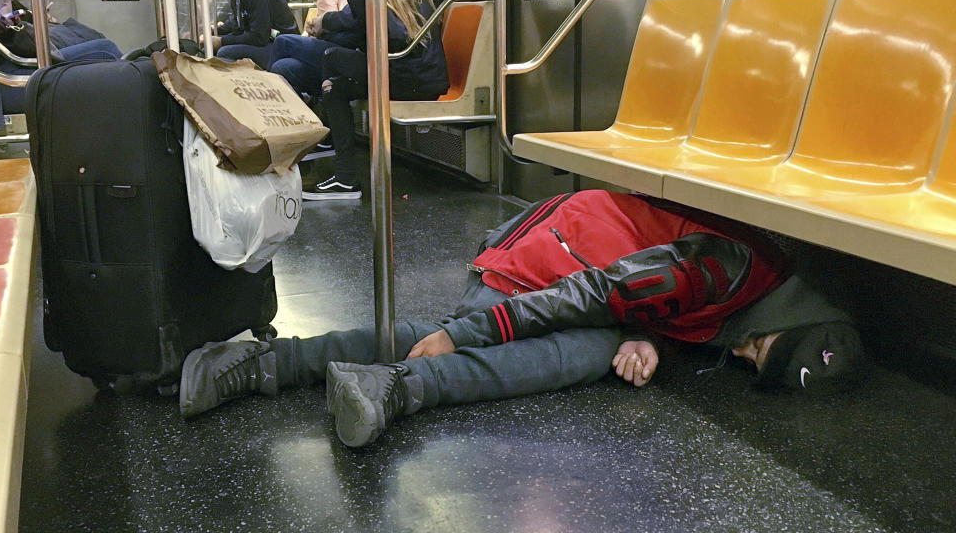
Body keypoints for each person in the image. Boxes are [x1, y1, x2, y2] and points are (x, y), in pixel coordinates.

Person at [179, 190, 865, 448]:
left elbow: (649, 289)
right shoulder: (730, 267)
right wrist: (464, 334)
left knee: (592, 350)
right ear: (794, 315)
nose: (747, 355)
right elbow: (597, 291)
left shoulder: (749, 291)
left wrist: (644, 335)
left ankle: (271, 365)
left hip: (573, 255)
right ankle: (391, 387)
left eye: (759, 367)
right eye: (766, 346)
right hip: (545, 260)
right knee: (553, 350)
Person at [295, 0, 448, 200]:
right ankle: (343, 174)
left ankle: (341, 167)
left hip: (407, 73)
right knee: (337, 87)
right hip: (427, 71)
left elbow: (394, 34)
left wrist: (328, 26)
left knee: (331, 59)